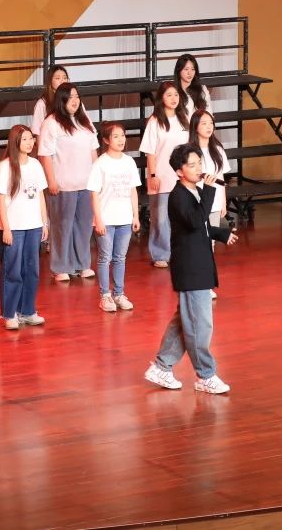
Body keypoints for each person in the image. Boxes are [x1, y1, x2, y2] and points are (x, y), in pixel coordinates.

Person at [143, 143, 238, 394]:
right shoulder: (178, 196)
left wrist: (221, 233)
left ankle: (162, 367)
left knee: (185, 321)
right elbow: (196, 221)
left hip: (199, 265)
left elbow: (202, 226)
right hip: (190, 267)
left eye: (199, 164)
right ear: (179, 171)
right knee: (200, 325)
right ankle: (205, 375)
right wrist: (210, 191)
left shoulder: (194, 192)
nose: (198, 169)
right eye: (192, 165)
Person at [38, 82, 98, 282]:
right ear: (61, 99)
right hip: (63, 184)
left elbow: (93, 151)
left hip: (86, 183)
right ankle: (60, 267)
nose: (75, 100)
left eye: (77, 96)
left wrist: (97, 178)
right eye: (70, 97)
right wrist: (51, 180)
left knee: (84, 226)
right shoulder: (52, 122)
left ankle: (82, 264)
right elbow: (45, 155)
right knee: (62, 227)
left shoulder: (84, 121)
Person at [0, 125, 49, 331]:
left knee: (32, 270)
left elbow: (41, 196)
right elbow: (1, 200)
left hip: (33, 225)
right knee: (13, 270)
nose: (29, 143)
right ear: (15, 141)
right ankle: (10, 313)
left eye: (31, 139)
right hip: (14, 227)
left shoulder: (35, 165)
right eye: (24, 139)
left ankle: (27, 311)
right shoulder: (5, 167)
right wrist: (6, 228)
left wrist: (44, 222)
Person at [88, 122, 141, 313]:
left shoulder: (129, 162)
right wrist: (98, 219)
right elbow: (94, 194)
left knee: (120, 257)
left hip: (124, 219)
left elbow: (133, 190)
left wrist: (135, 216)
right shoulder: (100, 164)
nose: (121, 140)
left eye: (123, 135)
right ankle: (105, 295)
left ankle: (119, 293)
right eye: (116, 136)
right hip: (106, 219)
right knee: (105, 257)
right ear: (105, 140)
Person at [139, 81, 189, 268]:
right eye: (169, 95)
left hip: (182, 177)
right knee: (160, 218)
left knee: (181, 216)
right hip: (161, 176)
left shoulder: (184, 118)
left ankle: (180, 251)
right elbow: (150, 152)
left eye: (176, 94)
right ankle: (160, 254)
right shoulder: (155, 121)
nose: (173, 98)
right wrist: (153, 175)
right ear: (161, 98)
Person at [30, 64, 69, 136]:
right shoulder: (42, 103)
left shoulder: (74, 100)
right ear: (50, 81)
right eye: (57, 78)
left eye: (65, 78)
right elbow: (37, 131)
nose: (62, 81)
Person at [174, 53, 211, 118]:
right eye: (186, 69)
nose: (189, 73)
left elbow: (209, 113)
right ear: (178, 70)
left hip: (201, 123)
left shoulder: (202, 89)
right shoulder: (173, 91)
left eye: (193, 69)